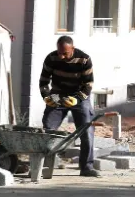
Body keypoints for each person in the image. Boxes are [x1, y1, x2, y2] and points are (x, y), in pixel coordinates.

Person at [39, 36, 100, 177]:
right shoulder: (51, 59)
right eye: (59, 52)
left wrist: (76, 100)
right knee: (48, 129)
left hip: (78, 96)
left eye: (65, 53)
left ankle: (86, 167)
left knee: (86, 130)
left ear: (72, 48)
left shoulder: (84, 59)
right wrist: (47, 97)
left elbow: (88, 85)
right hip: (57, 95)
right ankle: (45, 166)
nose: (61, 56)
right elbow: (43, 81)